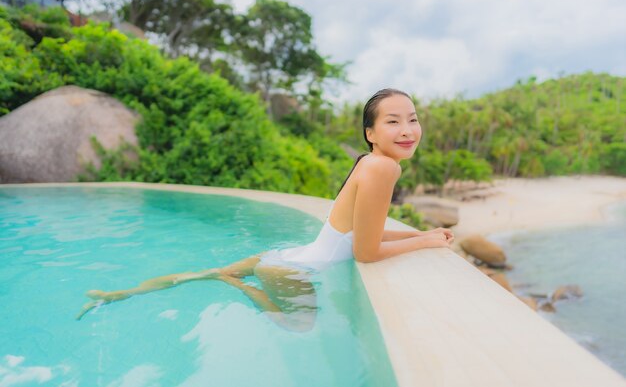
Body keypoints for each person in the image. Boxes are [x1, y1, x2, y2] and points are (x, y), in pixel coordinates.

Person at [76, 88, 454, 330]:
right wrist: (425, 244)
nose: (407, 129)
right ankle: (237, 283)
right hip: (292, 267)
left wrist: (422, 233)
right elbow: (366, 253)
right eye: (393, 122)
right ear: (371, 133)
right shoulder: (384, 167)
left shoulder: (368, 163)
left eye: (413, 119)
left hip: (286, 257)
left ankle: (117, 294)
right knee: (300, 326)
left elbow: (362, 232)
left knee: (200, 274)